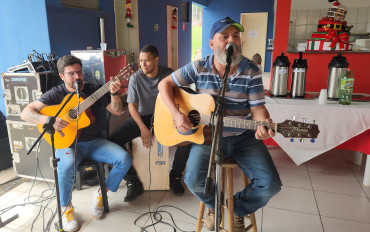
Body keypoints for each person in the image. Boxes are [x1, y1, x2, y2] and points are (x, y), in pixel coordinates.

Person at [158, 17, 282, 232]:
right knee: (194, 181)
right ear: (212, 43)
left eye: (235, 36)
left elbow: (257, 108)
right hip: (208, 136)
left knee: (270, 185)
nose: (231, 40)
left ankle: (236, 208)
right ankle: (214, 204)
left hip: (243, 137)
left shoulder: (251, 70)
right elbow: (164, 84)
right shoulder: (199, 67)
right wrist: (177, 114)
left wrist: (263, 123)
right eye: (224, 37)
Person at [21, 55, 132, 232]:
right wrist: (48, 119)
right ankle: (66, 208)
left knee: (124, 159)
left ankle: (101, 195)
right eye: (71, 74)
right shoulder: (55, 94)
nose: (77, 77)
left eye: (79, 72)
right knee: (65, 167)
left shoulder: (95, 89)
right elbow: (25, 113)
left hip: (95, 142)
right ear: (61, 76)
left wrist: (114, 93)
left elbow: (118, 112)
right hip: (68, 144)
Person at [109, 45, 191, 201]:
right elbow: (132, 106)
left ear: (156, 60)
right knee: (112, 141)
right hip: (144, 117)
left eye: (146, 61)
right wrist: (143, 129)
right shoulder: (135, 78)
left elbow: (182, 96)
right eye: (141, 61)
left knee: (187, 137)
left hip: (167, 117)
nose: (143, 65)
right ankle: (133, 182)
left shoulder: (168, 74)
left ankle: (174, 177)